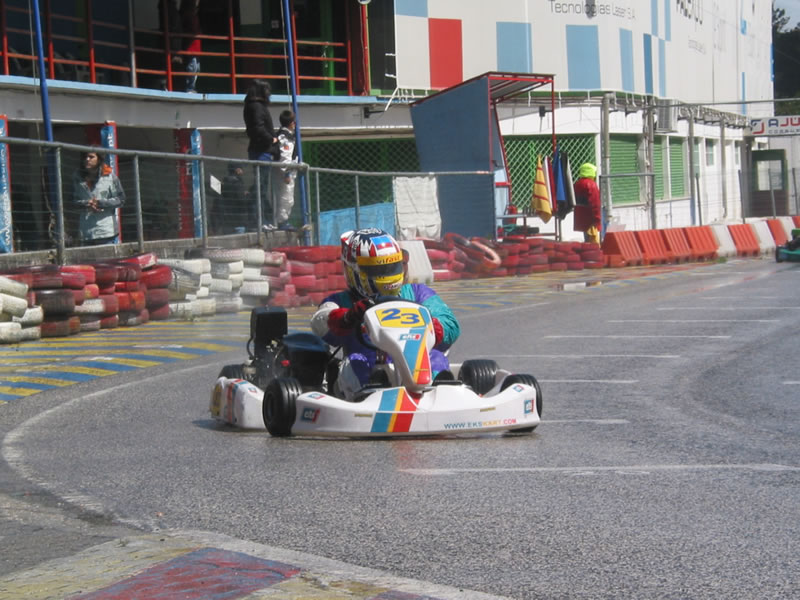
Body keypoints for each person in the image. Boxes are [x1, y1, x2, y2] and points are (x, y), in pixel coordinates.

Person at [311, 229, 460, 400]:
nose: (387, 274)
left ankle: (440, 394)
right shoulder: (342, 301)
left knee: (436, 358)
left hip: (415, 362)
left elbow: (450, 324)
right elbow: (320, 323)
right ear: (353, 271)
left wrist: (429, 326)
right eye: (378, 269)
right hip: (368, 365)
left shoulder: (417, 293)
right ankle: (370, 394)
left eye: (391, 267)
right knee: (355, 363)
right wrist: (348, 317)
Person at [243, 79, 279, 229]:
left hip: (261, 150)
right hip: (261, 150)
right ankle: (259, 220)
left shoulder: (253, 106)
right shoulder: (256, 107)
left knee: (262, 187)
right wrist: (272, 138)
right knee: (260, 188)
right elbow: (257, 128)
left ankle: (263, 219)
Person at [71, 151, 125, 246]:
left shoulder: (110, 176)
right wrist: (87, 204)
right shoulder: (77, 177)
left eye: (91, 157)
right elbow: (72, 201)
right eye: (85, 157)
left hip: (105, 231)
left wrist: (100, 203)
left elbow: (121, 199)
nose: (87, 159)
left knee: (106, 261)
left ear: (99, 159)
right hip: (86, 232)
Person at [272, 109, 298, 231]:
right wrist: (287, 173)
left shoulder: (286, 136)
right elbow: (284, 158)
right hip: (285, 173)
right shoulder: (285, 137)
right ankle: (282, 222)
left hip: (289, 171)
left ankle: (283, 220)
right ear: (291, 123)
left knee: (288, 198)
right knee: (285, 197)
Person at [572, 162, 602, 244]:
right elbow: (595, 203)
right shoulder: (591, 184)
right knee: (593, 241)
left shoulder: (577, 184)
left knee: (586, 240)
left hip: (581, 217)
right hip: (591, 218)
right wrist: (597, 219)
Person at [179, 0, 201, 93]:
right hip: (191, 48)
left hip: (195, 48)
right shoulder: (188, 15)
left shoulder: (193, 16)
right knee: (192, 68)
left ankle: (191, 87)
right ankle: (190, 88)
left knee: (196, 68)